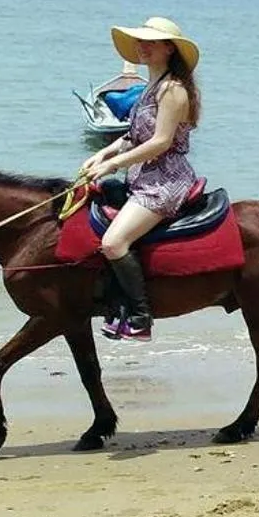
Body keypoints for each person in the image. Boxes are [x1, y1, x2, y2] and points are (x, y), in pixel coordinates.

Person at [76, 17, 203, 341]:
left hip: (164, 180)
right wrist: (102, 154)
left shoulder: (173, 89)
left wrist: (114, 164)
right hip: (142, 175)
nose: (141, 46)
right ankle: (112, 300)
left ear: (169, 49)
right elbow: (134, 136)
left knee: (113, 242)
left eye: (151, 42)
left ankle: (140, 317)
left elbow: (160, 142)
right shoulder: (152, 85)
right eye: (140, 41)